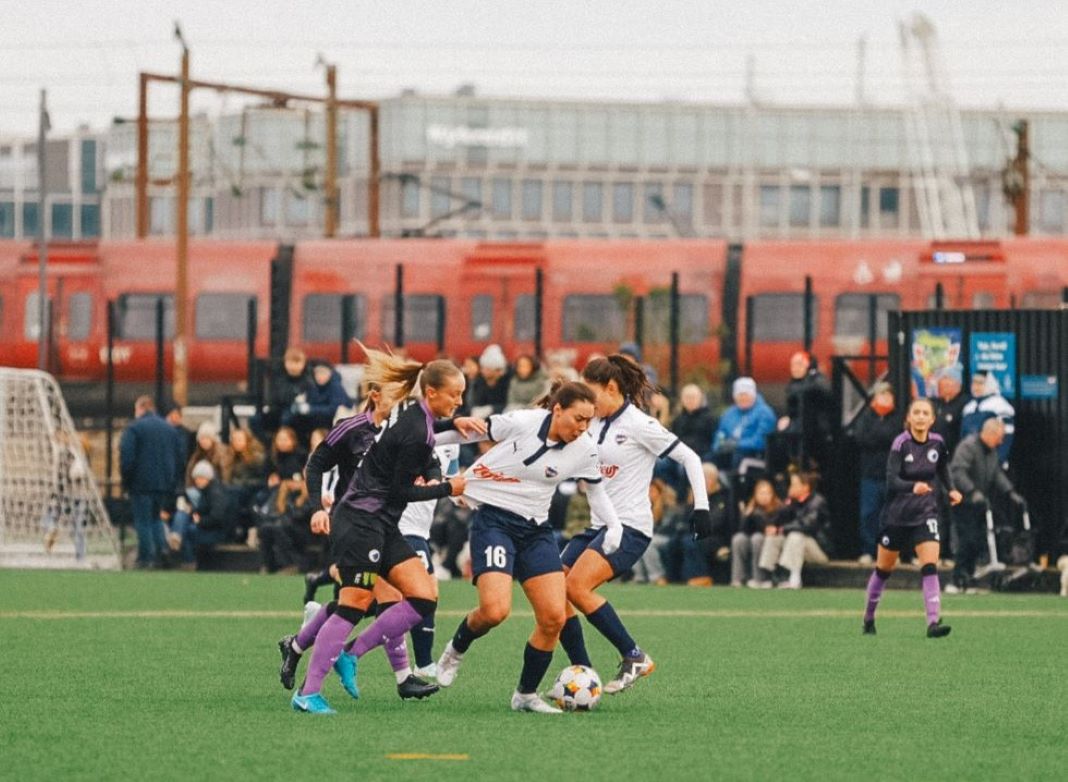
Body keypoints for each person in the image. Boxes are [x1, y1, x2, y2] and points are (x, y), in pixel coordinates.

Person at [286, 352, 470, 715]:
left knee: (424, 595)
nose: (460, 401)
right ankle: (307, 693)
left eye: (462, 394)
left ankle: (351, 654)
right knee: (353, 605)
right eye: (455, 394)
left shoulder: (417, 419)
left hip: (382, 525)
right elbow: (401, 491)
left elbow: (425, 457)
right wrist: (448, 487)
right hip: (360, 523)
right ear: (431, 393)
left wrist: (445, 449)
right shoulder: (416, 429)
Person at [434, 381, 625, 714]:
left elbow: (596, 491)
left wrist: (615, 525)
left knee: (554, 617)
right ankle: (456, 648)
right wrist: (416, 438)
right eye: (578, 419)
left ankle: (525, 694)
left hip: (536, 530)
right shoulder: (522, 422)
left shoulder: (585, 448)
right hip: (494, 521)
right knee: (494, 611)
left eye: (589, 421)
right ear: (557, 410)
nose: (583, 428)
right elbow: (466, 433)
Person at [554, 354, 711, 694]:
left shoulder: (639, 424)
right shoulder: (594, 422)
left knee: (576, 587)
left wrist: (701, 507)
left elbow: (690, 457)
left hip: (630, 528)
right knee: (554, 589)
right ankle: (584, 672)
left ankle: (634, 655)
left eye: (591, 393)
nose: (587, 402)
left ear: (612, 388)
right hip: (597, 527)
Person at [862, 397, 962, 638]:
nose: (920, 417)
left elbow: (943, 468)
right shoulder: (901, 444)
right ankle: (869, 617)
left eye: (925, 413)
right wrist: (912, 487)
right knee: (884, 569)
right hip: (896, 516)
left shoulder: (938, 443)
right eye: (916, 412)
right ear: (908, 418)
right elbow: (892, 480)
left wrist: (951, 489)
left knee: (929, 565)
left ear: (932, 419)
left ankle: (933, 622)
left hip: (925, 513)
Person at [948, 418, 1025, 593]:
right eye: (1000, 436)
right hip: (963, 502)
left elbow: (996, 474)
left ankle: (968, 578)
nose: (1001, 441)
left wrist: (1010, 492)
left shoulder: (992, 452)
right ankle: (956, 579)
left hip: (979, 503)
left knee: (977, 540)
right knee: (967, 540)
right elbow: (958, 471)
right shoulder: (968, 446)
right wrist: (972, 491)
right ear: (989, 433)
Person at [119, 396, 184, 569]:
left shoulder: (134, 428)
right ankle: (162, 552)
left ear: (140, 408)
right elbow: (179, 458)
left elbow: (127, 458)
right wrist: (172, 481)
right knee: (156, 519)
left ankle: (145, 558)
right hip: (163, 484)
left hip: (141, 483)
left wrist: (126, 481)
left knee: (143, 521)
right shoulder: (170, 429)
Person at [852, 382, 902, 564]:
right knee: (869, 514)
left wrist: (878, 436)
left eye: (888, 395)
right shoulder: (866, 417)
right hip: (870, 475)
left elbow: (897, 439)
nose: (886, 398)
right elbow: (861, 438)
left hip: (892, 475)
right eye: (882, 395)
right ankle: (868, 550)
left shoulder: (897, 418)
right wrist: (883, 437)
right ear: (875, 398)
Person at [757, 471, 831, 589]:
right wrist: (786, 504)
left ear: (805, 487)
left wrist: (781, 529)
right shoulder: (792, 502)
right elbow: (777, 520)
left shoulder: (817, 502)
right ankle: (768, 576)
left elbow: (806, 525)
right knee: (774, 538)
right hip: (796, 549)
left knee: (795, 536)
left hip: (818, 551)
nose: (791, 488)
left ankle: (793, 578)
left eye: (794, 484)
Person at [708, 377, 776, 491]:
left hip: (755, 454)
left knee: (738, 456)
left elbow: (761, 441)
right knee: (709, 458)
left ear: (753, 395)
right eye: (740, 395)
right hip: (729, 451)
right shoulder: (729, 414)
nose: (743, 398)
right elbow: (720, 434)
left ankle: (734, 490)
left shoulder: (765, 413)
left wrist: (737, 444)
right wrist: (719, 445)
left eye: (746, 394)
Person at [776, 352, 835, 470]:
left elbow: (822, 392)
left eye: (799, 364)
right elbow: (791, 408)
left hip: (817, 432)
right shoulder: (792, 384)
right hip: (798, 429)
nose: (795, 368)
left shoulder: (818, 380)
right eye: (793, 365)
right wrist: (786, 417)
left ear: (808, 365)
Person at [171, 460, 234, 570]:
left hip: (215, 531)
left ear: (208, 478)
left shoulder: (216, 493)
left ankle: (188, 559)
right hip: (205, 526)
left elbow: (217, 517)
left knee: (188, 531)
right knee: (182, 514)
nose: (197, 481)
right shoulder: (204, 491)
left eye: (201, 478)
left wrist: (200, 521)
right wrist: (192, 512)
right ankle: (176, 536)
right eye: (196, 478)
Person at [731, 478, 781, 588]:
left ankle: (759, 578)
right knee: (738, 539)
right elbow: (743, 529)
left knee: (757, 538)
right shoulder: (751, 508)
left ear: (772, 494)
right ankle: (738, 578)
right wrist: (746, 516)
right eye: (761, 493)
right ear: (755, 495)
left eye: (767, 493)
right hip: (751, 539)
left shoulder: (778, 508)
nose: (764, 496)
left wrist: (757, 515)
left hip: (770, 540)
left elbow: (768, 528)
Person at [960, 373, 1015, 466]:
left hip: (992, 462)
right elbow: (962, 436)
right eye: (974, 383)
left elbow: (1007, 436)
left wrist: (998, 462)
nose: (976, 387)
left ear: (990, 384)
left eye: (980, 383)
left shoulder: (1000, 405)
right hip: (970, 463)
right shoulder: (969, 407)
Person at [932, 365, 967, 455]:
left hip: (954, 454)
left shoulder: (965, 403)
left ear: (958, 385)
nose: (941, 387)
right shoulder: (933, 403)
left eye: (946, 384)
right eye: (940, 384)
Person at [468, 343, 511, 417]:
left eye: (487, 369)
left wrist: (491, 408)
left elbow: (507, 403)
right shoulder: (480, 382)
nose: (483, 371)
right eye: (482, 368)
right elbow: (476, 403)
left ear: (496, 370)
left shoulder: (506, 382)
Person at [184, 421, 233, 486]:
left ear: (213, 439)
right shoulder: (197, 455)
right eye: (202, 438)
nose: (204, 441)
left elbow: (225, 476)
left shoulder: (222, 454)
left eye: (207, 438)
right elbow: (189, 474)